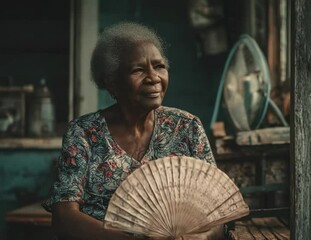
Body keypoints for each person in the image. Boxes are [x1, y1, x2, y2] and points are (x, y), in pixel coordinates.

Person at [42, 22, 224, 240]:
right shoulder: (83, 133)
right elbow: (63, 216)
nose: (154, 77)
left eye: (159, 66)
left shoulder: (187, 127)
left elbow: (218, 210)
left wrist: (200, 238)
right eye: (138, 70)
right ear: (112, 83)